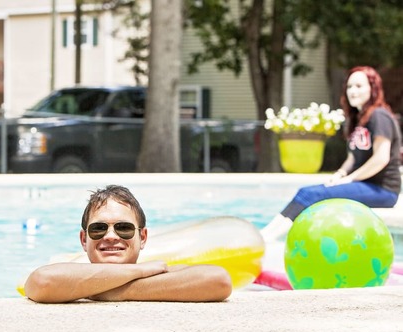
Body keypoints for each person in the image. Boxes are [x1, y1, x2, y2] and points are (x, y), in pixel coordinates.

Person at [24, 185, 233, 303]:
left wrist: (118, 291)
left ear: (142, 238)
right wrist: (140, 272)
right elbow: (42, 282)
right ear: (83, 239)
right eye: (99, 228)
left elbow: (219, 280)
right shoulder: (152, 272)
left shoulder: (153, 272)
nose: (111, 236)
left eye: (123, 227)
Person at [261, 66, 402, 241]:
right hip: (365, 185)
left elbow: (380, 159)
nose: (353, 91)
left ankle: (270, 238)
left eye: (359, 86)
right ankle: (266, 234)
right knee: (305, 192)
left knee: (310, 195)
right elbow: (353, 157)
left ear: (373, 89)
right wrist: (339, 175)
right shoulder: (359, 119)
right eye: (349, 87)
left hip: (383, 190)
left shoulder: (379, 116)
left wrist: (350, 179)